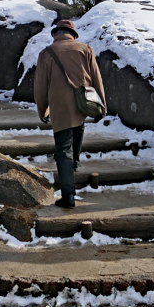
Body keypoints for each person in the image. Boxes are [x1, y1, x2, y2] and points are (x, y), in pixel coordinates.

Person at [34, 19, 107, 209]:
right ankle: (74, 163)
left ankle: (68, 195)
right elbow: (97, 78)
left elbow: (40, 87)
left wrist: (43, 110)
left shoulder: (46, 53)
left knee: (62, 149)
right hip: (84, 99)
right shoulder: (86, 49)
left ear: (54, 35)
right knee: (78, 125)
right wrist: (102, 106)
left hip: (60, 105)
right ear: (73, 35)